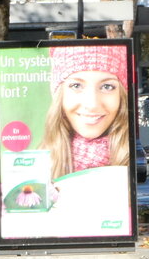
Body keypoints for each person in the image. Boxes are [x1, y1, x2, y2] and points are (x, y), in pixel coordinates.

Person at [42, 45, 129, 180]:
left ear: (122, 95)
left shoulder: (136, 162)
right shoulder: (32, 170)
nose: (92, 104)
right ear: (59, 95)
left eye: (107, 86)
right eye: (76, 86)